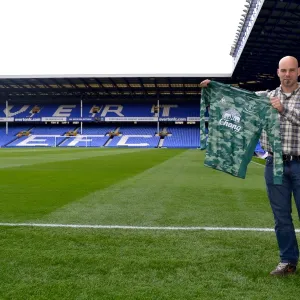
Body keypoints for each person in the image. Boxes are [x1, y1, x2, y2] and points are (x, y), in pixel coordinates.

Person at [200, 56, 300, 276]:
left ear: (298, 72)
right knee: (281, 217)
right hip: (275, 164)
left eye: (291, 70)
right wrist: (214, 88)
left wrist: (284, 110)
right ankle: (288, 261)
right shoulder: (266, 96)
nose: (287, 74)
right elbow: (239, 100)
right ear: (278, 72)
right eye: (283, 70)